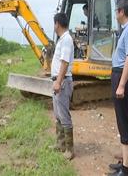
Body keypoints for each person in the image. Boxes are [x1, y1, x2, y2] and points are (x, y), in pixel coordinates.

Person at [108, 0, 128, 176]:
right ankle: (125, 163)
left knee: (125, 121)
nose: (115, 14)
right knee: (123, 120)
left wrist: (121, 85)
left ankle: (127, 169)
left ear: (121, 11)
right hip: (119, 75)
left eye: (116, 11)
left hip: (123, 78)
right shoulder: (127, 29)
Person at [51, 12, 75, 160]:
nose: (53, 26)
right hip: (58, 80)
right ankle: (60, 144)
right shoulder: (62, 39)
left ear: (57, 24)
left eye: (54, 24)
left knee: (64, 116)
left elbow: (65, 62)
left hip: (63, 82)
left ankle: (70, 150)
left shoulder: (66, 40)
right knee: (58, 115)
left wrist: (58, 82)